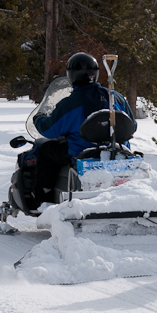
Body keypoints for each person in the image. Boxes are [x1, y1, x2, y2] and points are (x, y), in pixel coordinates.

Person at [27, 52, 133, 206]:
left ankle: (44, 196)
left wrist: (39, 118)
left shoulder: (71, 103)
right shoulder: (115, 97)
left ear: (71, 76)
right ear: (94, 74)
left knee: (46, 150)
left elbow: (50, 130)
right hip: (118, 151)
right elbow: (132, 125)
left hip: (82, 152)